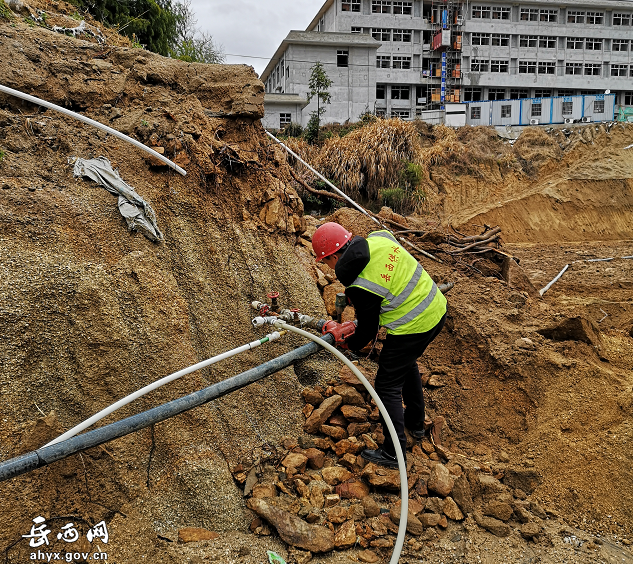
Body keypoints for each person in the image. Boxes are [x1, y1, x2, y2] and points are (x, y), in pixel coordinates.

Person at [312, 222, 447, 468]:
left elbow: (368, 331)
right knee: (405, 363)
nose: (328, 268)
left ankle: (394, 453)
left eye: (326, 262)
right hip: (436, 307)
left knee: (386, 385)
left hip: (415, 324)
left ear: (333, 255)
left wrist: (348, 343)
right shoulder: (379, 238)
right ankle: (416, 424)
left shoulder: (361, 284)